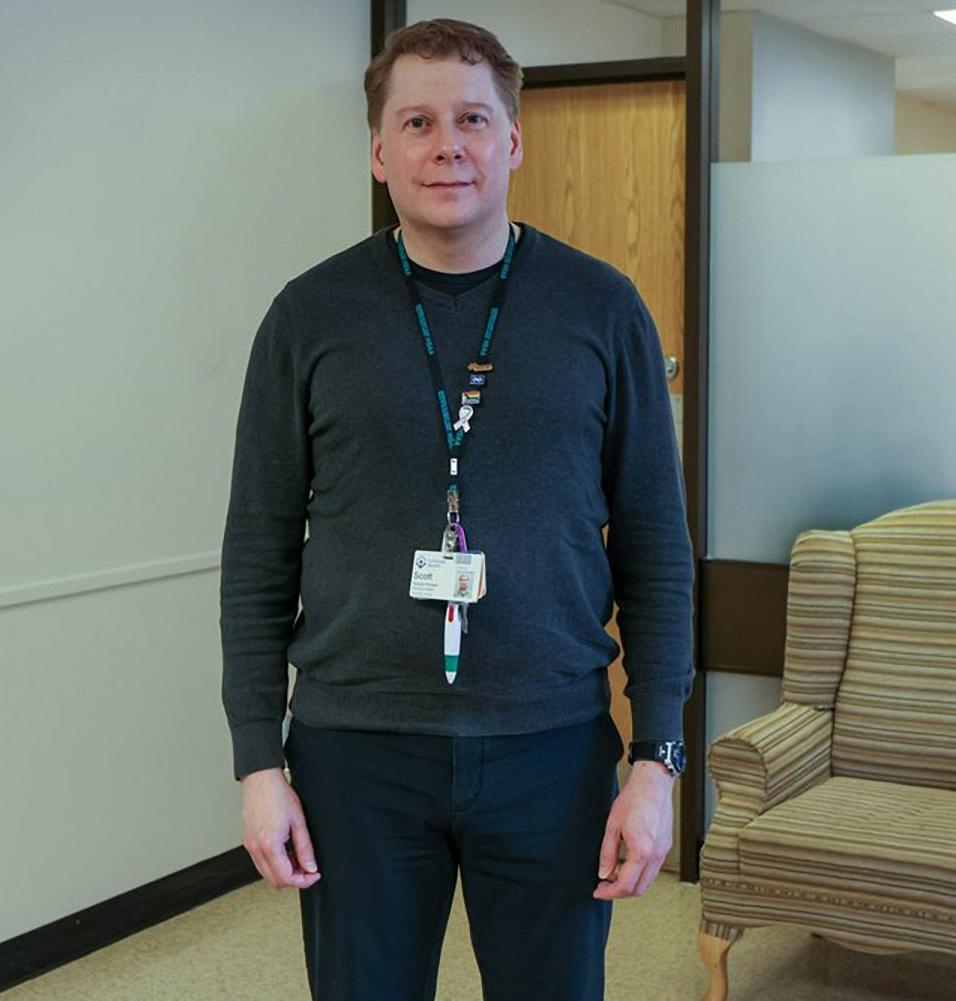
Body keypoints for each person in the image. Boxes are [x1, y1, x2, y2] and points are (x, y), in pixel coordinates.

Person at [220, 18, 694, 1001]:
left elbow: (656, 547)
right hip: (357, 753)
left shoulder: (602, 310)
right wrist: (257, 758)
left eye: (474, 118)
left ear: (513, 141)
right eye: (419, 121)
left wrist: (657, 757)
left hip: (550, 747)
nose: (449, 145)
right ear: (379, 149)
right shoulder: (309, 317)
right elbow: (258, 549)